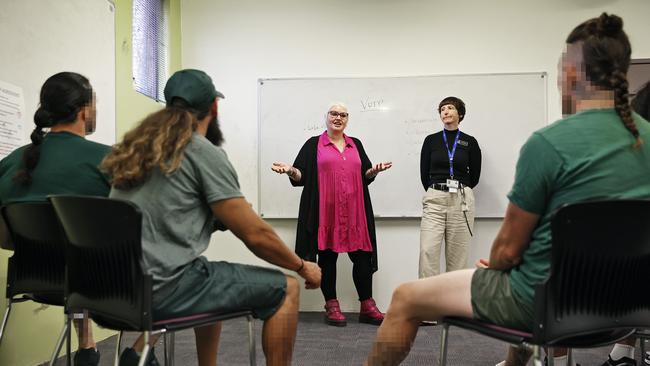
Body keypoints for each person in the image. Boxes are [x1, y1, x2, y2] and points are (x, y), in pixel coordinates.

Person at [365, 13, 650, 366]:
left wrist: (497, 264)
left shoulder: (549, 143)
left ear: (572, 72)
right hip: (628, 304)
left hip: (549, 302)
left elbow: (509, 250)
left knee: (406, 296)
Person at [102, 69, 321, 366]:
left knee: (209, 274)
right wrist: (302, 266)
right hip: (161, 289)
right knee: (287, 289)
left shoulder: (138, 151)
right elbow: (255, 235)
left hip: (111, 287)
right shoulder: (201, 151)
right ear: (214, 108)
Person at [0, 72, 107, 366]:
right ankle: (138, 349)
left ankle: (87, 345)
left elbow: (2, 235)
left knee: (72, 256)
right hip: (102, 282)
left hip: (33, 279)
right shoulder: (110, 160)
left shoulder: (12, 162)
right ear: (84, 110)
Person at [271, 103, 391, 327]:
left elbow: (365, 173)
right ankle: (332, 305)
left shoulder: (356, 144)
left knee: (363, 257)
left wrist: (373, 171)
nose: (338, 118)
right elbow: (301, 176)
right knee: (327, 257)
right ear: (325, 117)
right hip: (325, 211)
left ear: (348, 119)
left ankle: (367, 306)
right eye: (334, 114)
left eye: (343, 115)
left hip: (356, 210)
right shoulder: (313, 144)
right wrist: (290, 170)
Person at [419, 96, 481, 279]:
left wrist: (461, 190)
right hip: (435, 199)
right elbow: (424, 174)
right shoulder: (431, 140)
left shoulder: (470, 142)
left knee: (458, 257)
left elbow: (474, 176)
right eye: (442, 109)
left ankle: (452, 305)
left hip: (461, 200)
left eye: (450, 108)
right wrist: (437, 190)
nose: (445, 111)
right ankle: (427, 303)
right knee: (427, 252)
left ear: (459, 113)